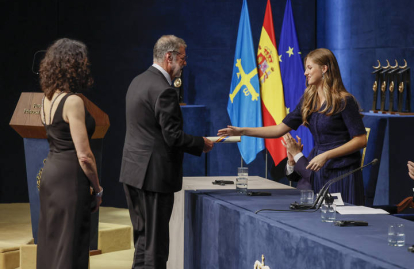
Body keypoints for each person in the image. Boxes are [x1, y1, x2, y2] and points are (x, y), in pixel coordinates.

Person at [218, 48, 367, 205]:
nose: (305, 73)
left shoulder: (344, 100)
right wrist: (242, 131)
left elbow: (361, 140)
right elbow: (279, 129)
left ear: (324, 68)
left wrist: (327, 155)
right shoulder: (309, 100)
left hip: (342, 171)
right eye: (305, 68)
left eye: (310, 68)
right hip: (320, 169)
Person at [119, 35, 214, 269]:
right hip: (154, 179)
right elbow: (173, 137)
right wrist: (200, 143)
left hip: (133, 173)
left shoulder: (137, 81)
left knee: (143, 242)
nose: (185, 63)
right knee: (155, 248)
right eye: (182, 58)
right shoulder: (165, 90)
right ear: (169, 57)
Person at [37, 38, 102, 269]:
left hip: (50, 175)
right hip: (70, 179)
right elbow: (84, 155)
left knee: (51, 241)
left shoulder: (46, 98)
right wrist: (97, 187)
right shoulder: (72, 101)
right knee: (70, 244)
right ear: (75, 66)